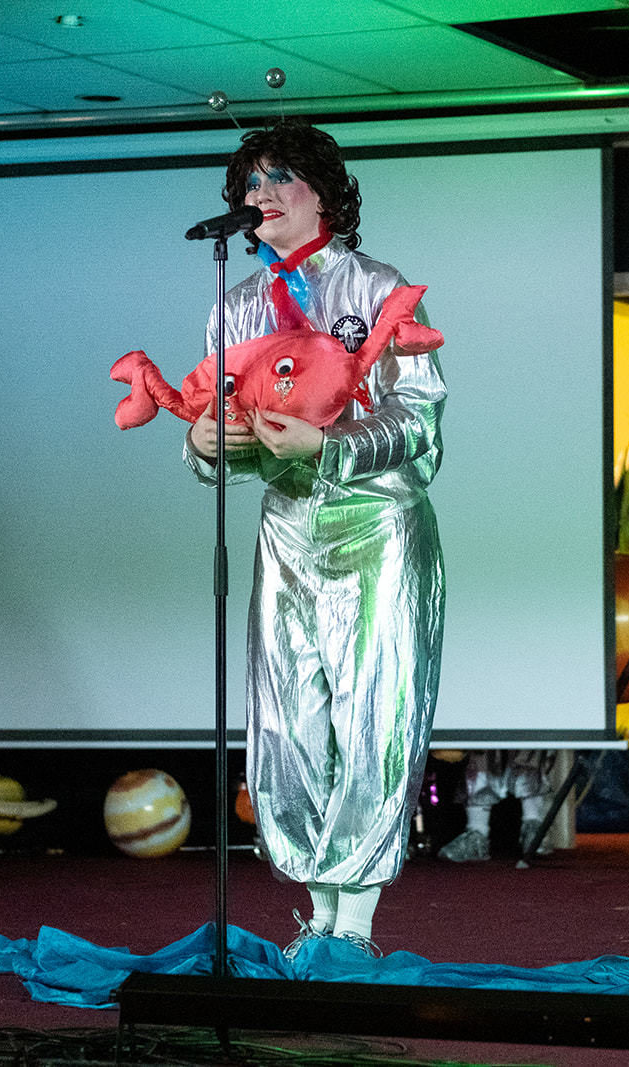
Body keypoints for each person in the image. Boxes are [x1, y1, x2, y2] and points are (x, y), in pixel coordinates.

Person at [184, 120, 446, 959]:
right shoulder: (236, 306)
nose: (258, 195)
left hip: (376, 527)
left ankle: (352, 924)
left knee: (373, 713)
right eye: (249, 182)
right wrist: (199, 444)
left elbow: (422, 426)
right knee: (291, 719)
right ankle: (317, 909)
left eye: (278, 177)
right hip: (288, 532)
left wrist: (332, 447)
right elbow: (217, 420)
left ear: (323, 191)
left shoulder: (379, 289)